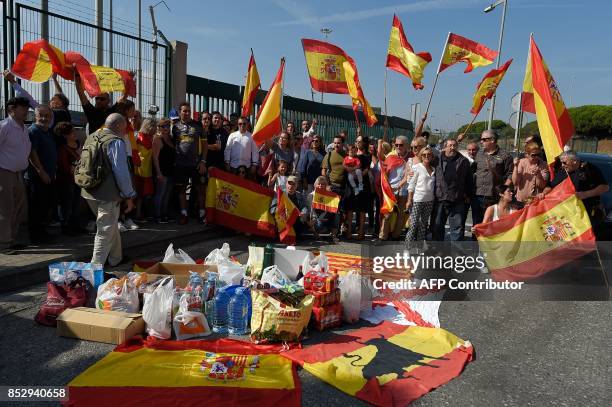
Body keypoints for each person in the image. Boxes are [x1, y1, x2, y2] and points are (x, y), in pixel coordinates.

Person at [81, 113, 136, 266]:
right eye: (125, 128)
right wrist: (129, 195)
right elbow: (121, 172)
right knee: (105, 230)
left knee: (111, 224)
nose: (125, 132)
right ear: (118, 126)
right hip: (108, 194)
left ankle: (115, 258)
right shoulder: (116, 141)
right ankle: (95, 267)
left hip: (89, 190)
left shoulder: (93, 136)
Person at [548, 150, 609, 239]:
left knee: (582, 240)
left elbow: (605, 187)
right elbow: (551, 186)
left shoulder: (590, 169)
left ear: (574, 161)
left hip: (584, 213)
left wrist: (585, 194)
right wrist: (544, 193)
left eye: (564, 163)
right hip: (565, 213)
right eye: (561, 163)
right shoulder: (563, 170)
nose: (562, 165)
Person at [0, 97, 31, 254]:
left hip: (19, 173)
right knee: (6, 209)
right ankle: (3, 244)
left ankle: (11, 240)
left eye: (26, 107)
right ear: (12, 109)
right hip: (4, 172)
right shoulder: (4, 127)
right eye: (22, 107)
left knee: (18, 208)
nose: (26, 110)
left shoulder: (23, 127)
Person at [26, 105, 58, 243]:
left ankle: (41, 232)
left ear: (51, 117)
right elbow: (32, 154)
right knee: (37, 207)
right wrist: (41, 172)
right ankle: (36, 236)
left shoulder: (48, 132)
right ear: (36, 116)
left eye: (47, 116)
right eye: (41, 115)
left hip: (48, 176)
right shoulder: (33, 131)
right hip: (37, 177)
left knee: (45, 205)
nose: (44, 118)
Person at [3, 71, 71, 132]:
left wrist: (13, 81)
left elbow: (29, 99)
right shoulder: (65, 113)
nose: (51, 100)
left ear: (59, 105)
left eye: (53, 100)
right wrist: (54, 79)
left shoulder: (50, 114)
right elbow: (59, 92)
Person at [432, 138, 473, 241]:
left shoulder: (464, 161)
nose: (452, 148)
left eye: (455, 145)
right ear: (444, 147)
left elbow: (469, 180)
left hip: (457, 199)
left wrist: (468, 195)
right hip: (440, 198)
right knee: (437, 227)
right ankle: (438, 253)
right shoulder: (436, 159)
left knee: (457, 229)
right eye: (450, 145)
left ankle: (456, 254)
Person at [172, 102, 206, 225]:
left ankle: (202, 214)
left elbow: (205, 145)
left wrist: (203, 161)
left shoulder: (198, 125)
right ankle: (184, 214)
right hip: (181, 164)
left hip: (196, 164)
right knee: (181, 190)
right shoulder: (175, 127)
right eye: (184, 111)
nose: (186, 113)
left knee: (201, 190)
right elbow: (172, 143)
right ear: (179, 112)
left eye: (188, 111)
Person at [472, 129, 513, 227]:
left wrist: (503, 191)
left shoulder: (505, 156)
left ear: (493, 140)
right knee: (477, 225)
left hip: (494, 196)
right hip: (478, 195)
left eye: (484, 139)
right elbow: (473, 170)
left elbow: (510, 174)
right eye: (481, 139)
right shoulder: (479, 154)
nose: (481, 141)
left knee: (491, 224)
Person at [74, 70, 129, 134]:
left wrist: (128, 80)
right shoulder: (91, 112)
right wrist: (77, 74)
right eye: (97, 98)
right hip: (95, 143)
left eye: (102, 99)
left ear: (108, 101)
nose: (99, 101)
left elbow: (124, 96)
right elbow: (81, 93)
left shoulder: (112, 111)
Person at [378, 136, 411, 241]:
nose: (398, 147)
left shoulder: (411, 158)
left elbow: (409, 175)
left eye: (400, 145)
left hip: (404, 190)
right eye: (396, 145)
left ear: (406, 145)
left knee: (401, 214)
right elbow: (384, 173)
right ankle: (383, 236)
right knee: (387, 214)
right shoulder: (390, 157)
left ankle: (396, 235)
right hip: (391, 190)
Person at [55, 122, 83, 236]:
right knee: (67, 203)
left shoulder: (78, 143)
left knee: (76, 203)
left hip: (78, 178)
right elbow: (64, 167)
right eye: (72, 132)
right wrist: (75, 165)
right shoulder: (62, 148)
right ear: (65, 135)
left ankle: (75, 225)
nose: (75, 133)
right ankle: (65, 226)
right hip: (67, 180)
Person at [343, 135, 373, 240]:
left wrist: (356, 173)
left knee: (362, 209)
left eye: (359, 142)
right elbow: (345, 167)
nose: (357, 143)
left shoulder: (366, 156)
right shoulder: (348, 156)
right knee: (350, 208)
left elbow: (366, 170)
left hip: (362, 185)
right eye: (356, 141)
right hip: (351, 186)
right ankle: (349, 231)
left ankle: (361, 231)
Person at [406, 147, 436, 244]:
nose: (426, 156)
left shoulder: (434, 169)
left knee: (423, 225)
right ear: (421, 156)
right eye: (424, 155)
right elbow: (411, 185)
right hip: (417, 200)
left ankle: (419, 247)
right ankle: (407, 248)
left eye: (429, 154)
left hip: (429, 201)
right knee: (413, 224)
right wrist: (409, 200)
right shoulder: (416, 167)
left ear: (432, 156)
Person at [322, 135, 348, 241]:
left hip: (344, 187)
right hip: (332, 186)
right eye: (335, 143)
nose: (336, 145)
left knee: (341, 211)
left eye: (338, 143)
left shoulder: (346, 156)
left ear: (342, 144)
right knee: (333, 211)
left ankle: (337, 232)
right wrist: (327, 185)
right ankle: (332, 232)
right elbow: (323, 171)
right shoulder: (329, 155)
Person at [152, 117, 175, 224]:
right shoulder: (157, 139)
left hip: (171, 171)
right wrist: (158, 173)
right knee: (160, 194)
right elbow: (155, 158)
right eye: (163, 126)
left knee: (167, 194)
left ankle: (164, 215)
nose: (166, 128)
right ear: (159, 127)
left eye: (167, 126)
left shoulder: (170, 138)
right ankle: (157, 216)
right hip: (162, 171)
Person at [134, 118, 156, 220]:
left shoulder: (151, 138)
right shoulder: (139, 137)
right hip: (140, 170)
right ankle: (138, 213)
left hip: (146, 169)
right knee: (140, 194)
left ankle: (140, 213)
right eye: (154, 126)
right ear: (149, 127)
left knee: (143, 194)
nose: (156, 129)